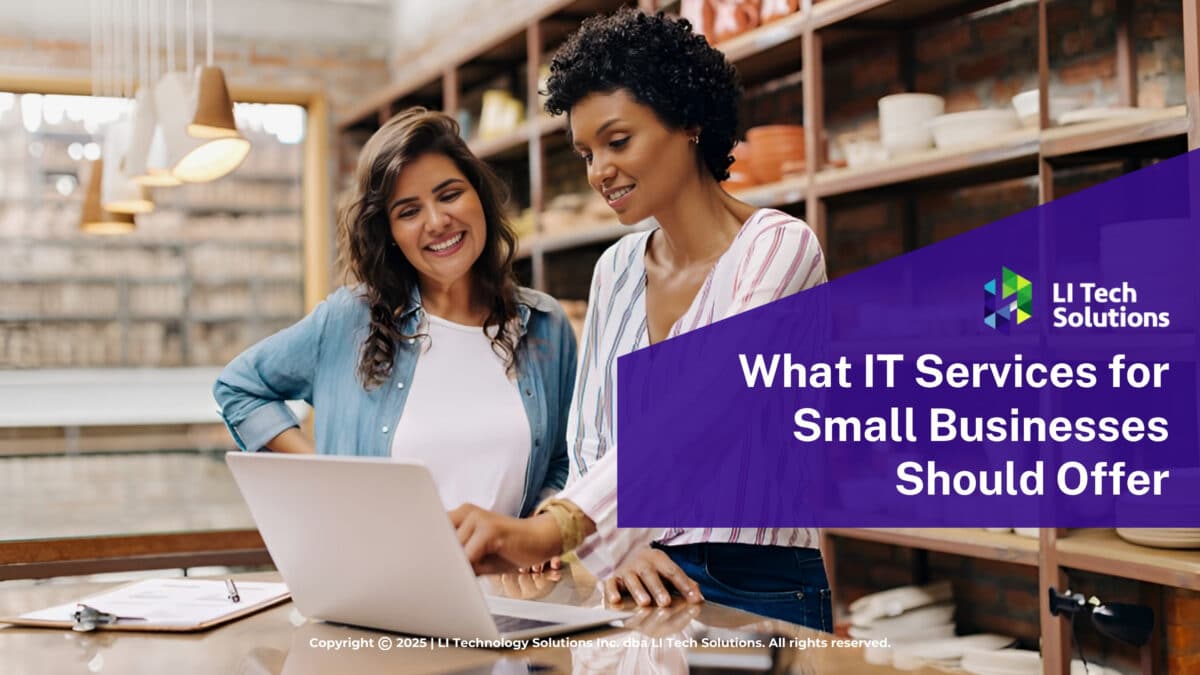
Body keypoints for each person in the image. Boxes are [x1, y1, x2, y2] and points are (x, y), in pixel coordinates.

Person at [450, 9, 831, 630]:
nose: (599, 170)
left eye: (618, 141)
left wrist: (554, 529)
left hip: (757, 580)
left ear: (688, 123)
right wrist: (616, 551)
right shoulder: (617, 268)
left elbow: (708, 407)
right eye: (586, 152)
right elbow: (592, 438)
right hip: (637, 574)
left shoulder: (779, 249)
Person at [213, 108, 578, 518]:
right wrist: (323, 472)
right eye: (408, 211)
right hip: (378, 580)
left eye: (450, 194)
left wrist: (540, 528)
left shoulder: (545, 325)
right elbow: (239, 388)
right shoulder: (350, 320)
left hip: (504, 582)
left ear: (480, 196)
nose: (437, 221)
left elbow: (564, 461)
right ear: (388, 233)